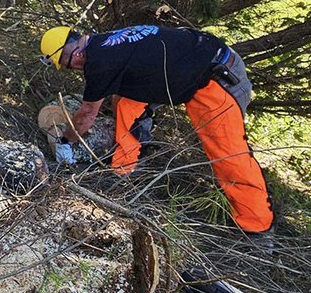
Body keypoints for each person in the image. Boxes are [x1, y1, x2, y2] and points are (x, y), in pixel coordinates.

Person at [39, 24, 275, 239]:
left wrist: (65, 141)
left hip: (214, 77)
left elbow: (87, 114)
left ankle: (257, 226)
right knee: (124, 101)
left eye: (69, 64)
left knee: (229, 155)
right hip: (194, 66)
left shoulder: (100, 61)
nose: (74, 68)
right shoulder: (103, 42)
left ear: (75, 54)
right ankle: (124, 166)